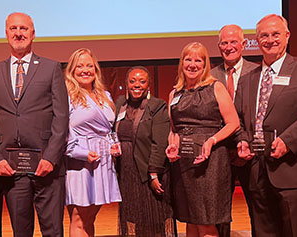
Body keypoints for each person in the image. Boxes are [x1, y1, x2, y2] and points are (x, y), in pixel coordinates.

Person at [234, 14, 297, 237]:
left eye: (275, 34)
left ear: (287, 36)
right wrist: (241, 139)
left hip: (294, 169)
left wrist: (289, 141)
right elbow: (239, 119)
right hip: (257, 173)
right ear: (256, 41)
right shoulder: (248, 78)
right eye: (264, 36)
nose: (270, 40)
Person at [0, 12, 69, 236]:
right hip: (11, 169)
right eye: (13, 29)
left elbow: (61, 117)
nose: (18, 33)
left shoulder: (51, 68)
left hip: (46, 167)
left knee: (53, 232)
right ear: (5, 33)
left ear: (33, 33)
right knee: (21, 232)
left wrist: (51, 157)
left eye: (23, 28)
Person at [165, 42, 240, 237]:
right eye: (188, 59)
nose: (192, 64)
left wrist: (211, 141)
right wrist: (172, 146)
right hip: (184, 164)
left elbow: (233, 123)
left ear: (205, 64)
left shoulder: (216, 87)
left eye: (198, 60)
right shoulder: (174, 93)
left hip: (211, 162)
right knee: (190, 219)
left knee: (206, 222)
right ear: (182, 63)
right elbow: (174, 130)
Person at [64, 48, 121, 237]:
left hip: (103, 162)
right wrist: (81, 153)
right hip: (79, 163)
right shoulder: (67, 96)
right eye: (79, 66)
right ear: (72, 70)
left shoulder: (105, 95)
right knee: (79, 218)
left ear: (96, 70)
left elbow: (109, 128)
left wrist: (114, 144)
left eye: (89, 65)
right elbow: (61, 131)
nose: (85, 70)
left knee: (90, 218)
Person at [114, 66, 175, 236]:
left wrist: (153, 173)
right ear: (126, 84)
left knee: (153, 218)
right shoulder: (120, 104)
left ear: (149, 85)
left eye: (142, 81)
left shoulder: (157, 105)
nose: (137, 85)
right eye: (132, 81)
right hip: (126, 173)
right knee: (134, 217)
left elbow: (159, 142)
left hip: (147, 171)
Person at [210, 24, 258, 237]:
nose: (229, 47)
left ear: (244, 44)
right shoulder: (209, 76)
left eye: (233, 42)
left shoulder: (258, 71)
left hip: (252, 152)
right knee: (219, 210)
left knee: (258, 208)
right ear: (219, 46)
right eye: (224, 43)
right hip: (220, 153)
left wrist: (247, 143)